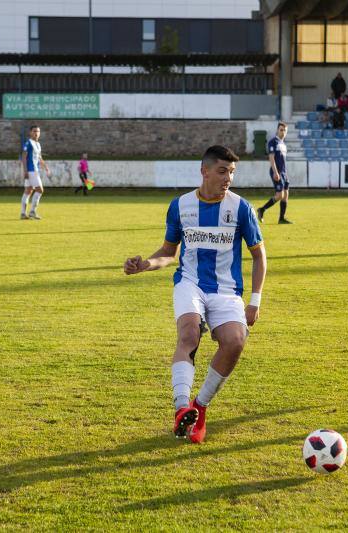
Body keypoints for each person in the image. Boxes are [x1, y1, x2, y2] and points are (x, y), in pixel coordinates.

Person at [123, 145, 266, 444]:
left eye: (232, 172)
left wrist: (255, 301)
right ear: (204, 171)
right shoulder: (180, 205)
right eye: (222, 171)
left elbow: (259, 256)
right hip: (190, 283)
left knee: (235, 342)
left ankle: (199, 409)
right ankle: (181, 408)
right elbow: (168, 252)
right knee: (189, 334)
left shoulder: (241, 208)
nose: (228, 178)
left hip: (227, 290)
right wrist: (145, 265)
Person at [257, 122, 291, 224]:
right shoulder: (273, 142)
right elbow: (271, 158)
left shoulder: (283, 144)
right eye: (281, 130)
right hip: (277, 172)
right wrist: (276, 172)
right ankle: (262, 209)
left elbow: (282, 161)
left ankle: (281, 218)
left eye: (285, 130)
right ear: (277, 130)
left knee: (285, 195)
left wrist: (285, 174)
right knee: (279, 195)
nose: (283, 132)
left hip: (284, 173)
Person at [20, 125, 49, 220]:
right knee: (40, 190)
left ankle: (23, 213)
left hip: (34, 169)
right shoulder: (28, 143)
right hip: (31, 170)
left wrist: (46, 167)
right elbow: (24, 157)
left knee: (28, 191)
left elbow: (40, 158)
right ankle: (32, 212)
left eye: (38, 131)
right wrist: (25, 171)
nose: (36, 133)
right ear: (30, 132)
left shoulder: (38, 144)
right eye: (34, 131)